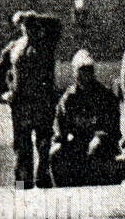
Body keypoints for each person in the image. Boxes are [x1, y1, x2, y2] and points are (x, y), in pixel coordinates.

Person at [0, 10, 63, 189]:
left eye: (32, 26)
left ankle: (44, 181)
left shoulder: (47, 43)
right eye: (26, 26)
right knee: (22, 147)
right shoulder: (15, 47)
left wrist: (31, 15)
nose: (29, 30)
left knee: (44, 144)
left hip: (43, 102)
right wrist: (4, 92)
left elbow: (57, 24)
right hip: (21, 103)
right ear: (21, 28)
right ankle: (23, 185)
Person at [51, 49, 121, 187]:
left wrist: (100, 137)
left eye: (88, 70)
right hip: (79, 142)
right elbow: (61, 128)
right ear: (75, 72)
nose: (85, 74)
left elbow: (113, 129)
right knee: (55, 152)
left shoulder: (105, 96)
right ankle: (63, 192)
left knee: (97, 148)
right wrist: (61, 138)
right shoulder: (68, 98)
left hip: (103, 144)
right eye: (81, 70)